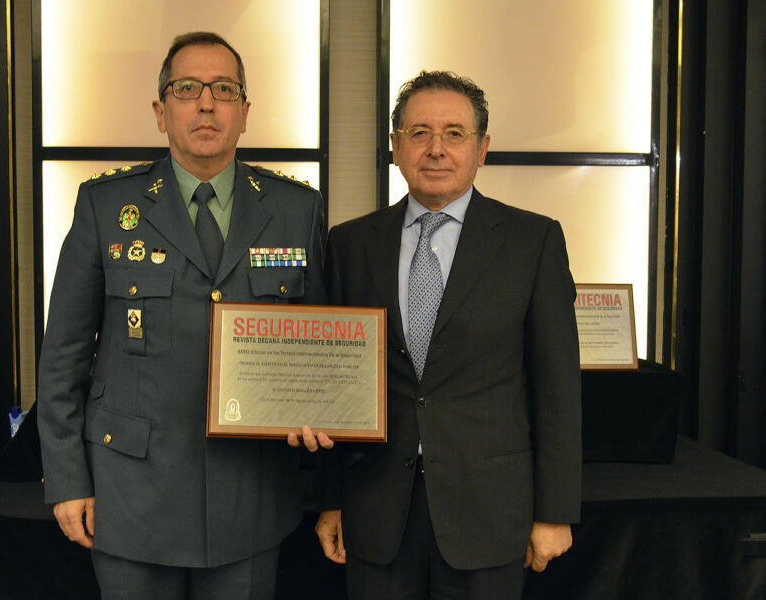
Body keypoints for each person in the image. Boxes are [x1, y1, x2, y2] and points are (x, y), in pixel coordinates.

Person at [37, 31, 330, 599]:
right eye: (187, 88)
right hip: (131, 494)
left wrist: (320, 407)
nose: (205, 103)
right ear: (160, 110)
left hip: (249, 499)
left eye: (223, 89)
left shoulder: (297, 209)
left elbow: (317, 343)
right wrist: (66, 480)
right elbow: (62, 359)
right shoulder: (104, 207)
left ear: (245, 112)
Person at [315, 71, 582, 599]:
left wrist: (554, 513)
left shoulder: (533, 241)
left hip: (488, 512)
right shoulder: (349, 244)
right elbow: (334, 383)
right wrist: (332, 498)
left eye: (455, 134)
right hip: (376, 512)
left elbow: (558, 389)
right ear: (395, 148)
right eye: (419, 133)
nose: (436, 149)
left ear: (482, 148)